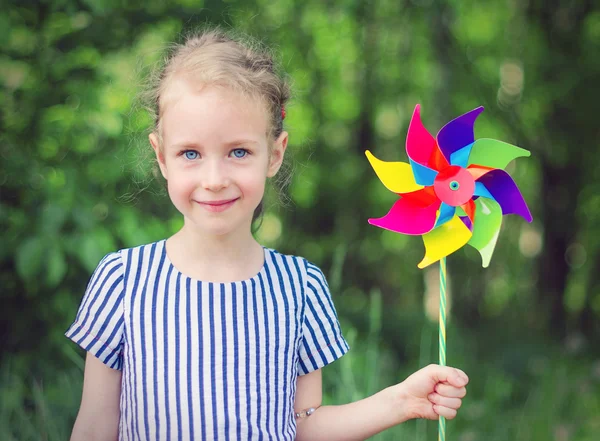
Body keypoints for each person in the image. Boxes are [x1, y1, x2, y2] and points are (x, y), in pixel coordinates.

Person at [65, 28, 469, 441]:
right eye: (190, 153)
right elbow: (96, 424)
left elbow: (306, 426)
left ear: (274, 154)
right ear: (161, 156)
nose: (215, 179)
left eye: (238, 152)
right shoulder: (123, 279)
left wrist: (401, 401)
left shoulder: (300, 288)